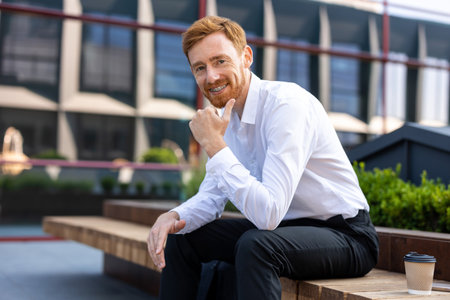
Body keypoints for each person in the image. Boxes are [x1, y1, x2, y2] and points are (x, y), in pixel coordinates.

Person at [147, 15, 379, 300]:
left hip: (346, 237)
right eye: (200, 68)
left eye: (220, 61)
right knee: (183, 240)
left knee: (256, 245)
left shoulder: (287, 105)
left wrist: (214, 145)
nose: (211, 77)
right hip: (285, 232)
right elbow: (211, 197)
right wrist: (173, 216)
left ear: (246, 57)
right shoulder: (226, 122)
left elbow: (268, 214)